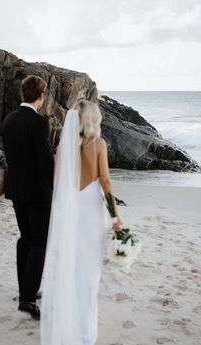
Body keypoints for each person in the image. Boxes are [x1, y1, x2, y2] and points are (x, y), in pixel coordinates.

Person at [40, 100, 122, 345]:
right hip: (91, 214)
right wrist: (116, 215)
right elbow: (105, 182)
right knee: (89, 274)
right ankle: (85, 334)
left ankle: (69, 325)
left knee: (72, 270)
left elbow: (57, 186)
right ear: (92, 119)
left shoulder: (63, 147)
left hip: (71, 213)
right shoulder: (99, 144)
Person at [1, 75, 54, 320]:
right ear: (41, 96)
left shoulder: (9, 120)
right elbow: (45, 160)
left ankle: (25, 291)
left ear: (24, 94)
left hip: (16, 190)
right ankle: (28, 299)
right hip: (37, 192)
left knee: (25, 238)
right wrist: (54, 188)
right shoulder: (39, 122)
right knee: (39, 242)